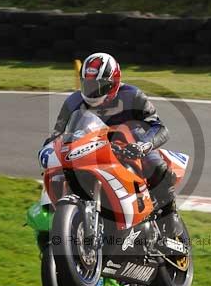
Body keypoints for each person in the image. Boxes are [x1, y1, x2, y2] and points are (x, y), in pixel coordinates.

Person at [41, 52, 183, 237]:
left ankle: (169, 214)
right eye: (88, 84)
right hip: (90, 151)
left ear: (114, 82)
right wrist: (49, 147)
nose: (93, 91)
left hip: (131, 146)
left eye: (100, 86)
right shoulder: (73, 101)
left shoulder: (132, 95)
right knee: (58, 172)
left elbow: (158, 127)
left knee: (155, 164)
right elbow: (59, 133)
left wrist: (144, 146)